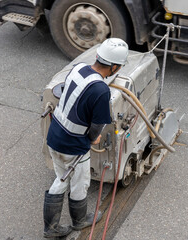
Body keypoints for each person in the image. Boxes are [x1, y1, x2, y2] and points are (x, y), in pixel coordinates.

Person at [43, 38, 129, 238]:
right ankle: (78, 221)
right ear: (115, 66)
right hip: (73, 145)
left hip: (55, 134)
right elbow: (98, 124)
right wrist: (93, 138)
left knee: (62, 177)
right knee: (80, 182)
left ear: (98, 57)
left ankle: (51, 226)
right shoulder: (101, 90)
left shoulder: (78, 68)